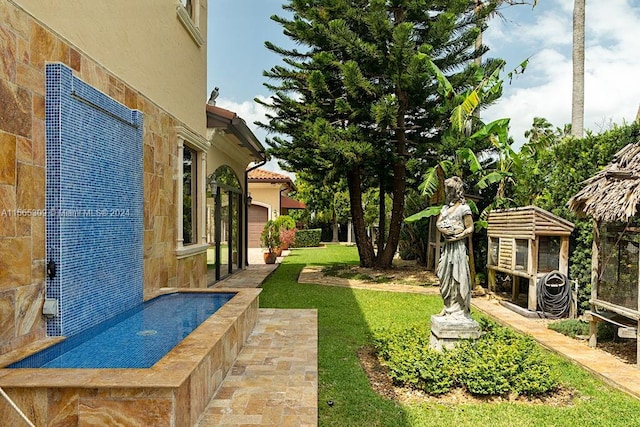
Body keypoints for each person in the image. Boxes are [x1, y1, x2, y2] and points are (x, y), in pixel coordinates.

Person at [435, 176, 474, 318]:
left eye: (450, 190)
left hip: (457, 248)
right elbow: (439, 223)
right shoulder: (445, 209)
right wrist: (444, 229)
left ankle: (460, 309)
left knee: (458, 276)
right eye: (447, 190)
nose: (448, 192)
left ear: (456, 191)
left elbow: (470, 228)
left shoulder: (464, 208)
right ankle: (447, 306)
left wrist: (458, 235)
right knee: (444, 276)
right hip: (447, 248)